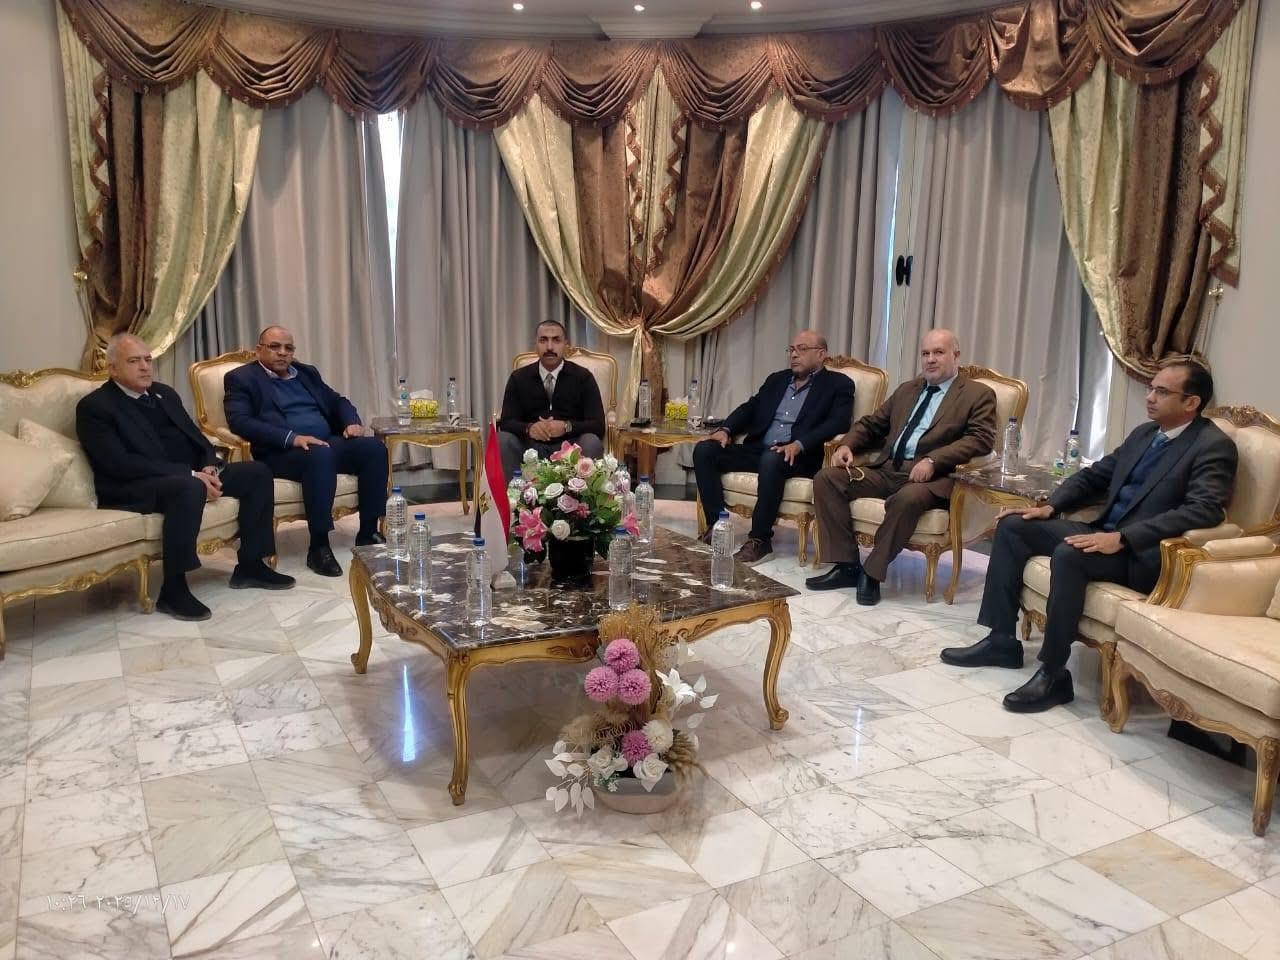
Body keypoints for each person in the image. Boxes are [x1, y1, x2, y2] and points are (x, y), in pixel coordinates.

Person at [941, 356, 1237, 713]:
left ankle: (1054, 674)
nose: (1149, 397)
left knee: (1070, 554)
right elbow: (1095, 476)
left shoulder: (1212, 446)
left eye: (1161, 391)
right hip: (1102, 531)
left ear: (1191, 402)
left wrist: (1124, 538)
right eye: (1151, 388)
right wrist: (1050, 507)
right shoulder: (1146, 434)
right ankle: (1002, 640)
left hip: (1142, 553)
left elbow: (1203, 510)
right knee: (1014, 526)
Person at [77, 333, 294, 621]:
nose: (145, 367)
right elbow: (118, 464)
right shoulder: (96, 407)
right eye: (134, 361)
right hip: (131, 485)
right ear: (113, 368)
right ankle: (174, 590)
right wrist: (191, 475)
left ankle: (251, 565)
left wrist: (209, 467)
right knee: (188, 487)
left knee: (257, 472)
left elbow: (198, 439)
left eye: (148, 360)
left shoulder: (164, 394)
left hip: (188, 476)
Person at [806, 329, 996, 605]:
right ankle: (846, 566)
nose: (930, 359)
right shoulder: (908, 389)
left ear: (956, 356)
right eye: (925, 353)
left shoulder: (978, 394)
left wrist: (934, 460)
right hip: (887, 470)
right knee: (827, 478)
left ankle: (872, 573)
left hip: (931, 479)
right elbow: (872, 424)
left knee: (907, 498)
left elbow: (980, 439)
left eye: (938, 352)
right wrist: (847, 445)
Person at [224, 326, 388, 577]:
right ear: (259, 350)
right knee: (319, 454)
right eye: (275, 347)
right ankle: (319, 546)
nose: (282, 353)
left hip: (324, 443)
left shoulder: (306, 373)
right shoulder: (241, 378)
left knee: (373, 448)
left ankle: (368, 532)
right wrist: (292, 438)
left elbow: (338, 401)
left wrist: (351, 422)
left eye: (288, 348)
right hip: (281, 452)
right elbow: (241, 421)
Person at [692, 331, 854, 564]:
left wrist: (799, 444)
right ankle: (717, 528)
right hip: (759, 450)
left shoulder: (838, 384)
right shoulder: (777, 379)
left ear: (821, 354)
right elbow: (750, 408)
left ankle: (760, 540)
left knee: (772, 459)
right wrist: (725, 429)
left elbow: (838, 423)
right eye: (792, 349)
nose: (794, 355)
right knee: (705, 450)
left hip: (799, 456)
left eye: (802, 349)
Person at [498, 320, 606, 477]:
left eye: (556, 340)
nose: (549, 347)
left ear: (565, 345)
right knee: (502, 439)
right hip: (530, 448)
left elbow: (598, 425)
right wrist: (529, 428)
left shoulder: (583, 377)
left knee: (591, 441)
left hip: (571, 449)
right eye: (543, 340)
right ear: (535, 345)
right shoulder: (518, 378)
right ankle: (514, 492)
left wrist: (566, 426)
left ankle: (582, 492)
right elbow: (506, 422)